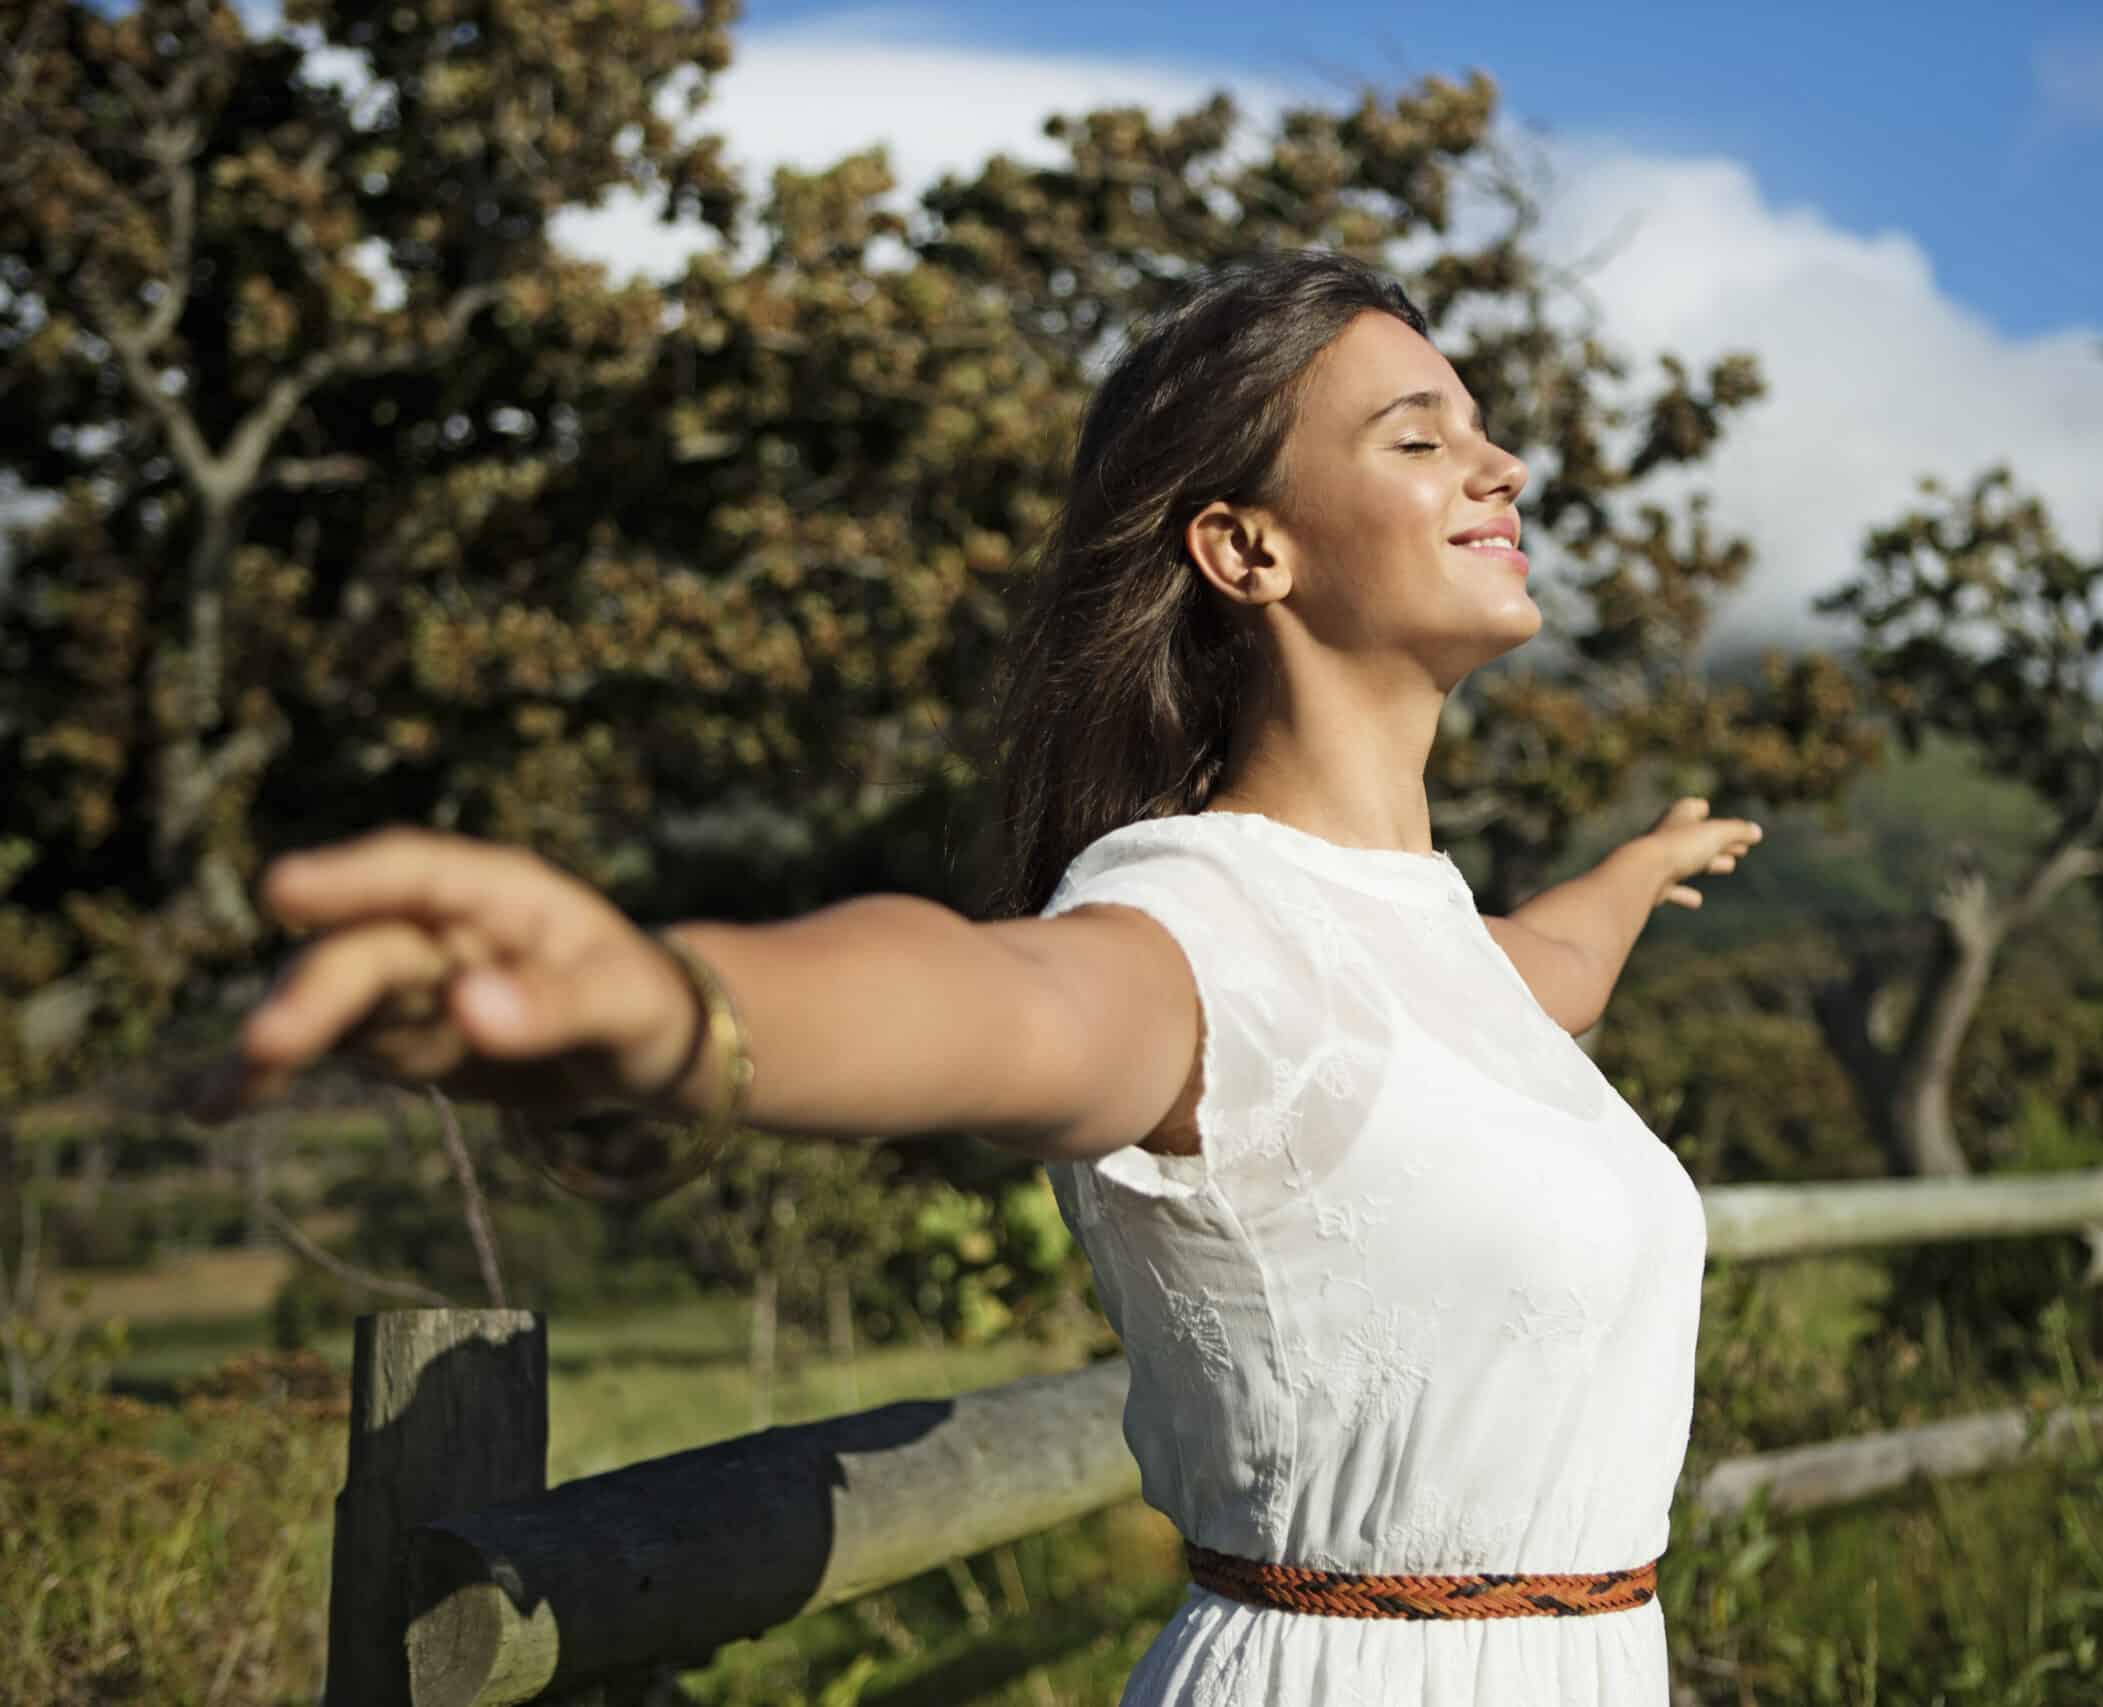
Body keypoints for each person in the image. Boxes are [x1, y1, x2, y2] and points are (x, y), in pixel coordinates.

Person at [216, 248, 1765, 1704]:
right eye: (1421, 441)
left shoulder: (1430, 942)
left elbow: (1545, 969)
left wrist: (1633, 876)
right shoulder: (1197, 922)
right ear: (1245, 547)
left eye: (1483, 432)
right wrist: (678, 1007)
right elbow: (999, 1003)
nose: (1499, 469)